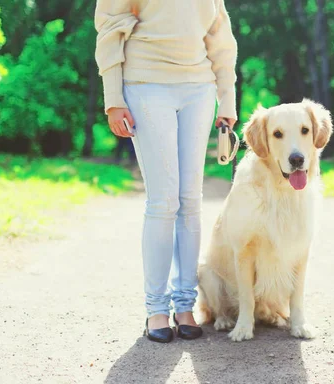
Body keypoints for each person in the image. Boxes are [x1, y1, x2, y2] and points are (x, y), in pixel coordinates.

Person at [94, 0, 237, 343]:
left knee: (190, 200)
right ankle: (156, 309)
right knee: (163, 201)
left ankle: (184, 306)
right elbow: (111, 30)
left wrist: (227, 99)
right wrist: (114, 98)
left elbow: (220, 38)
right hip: (146, 83)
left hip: (199, 90)